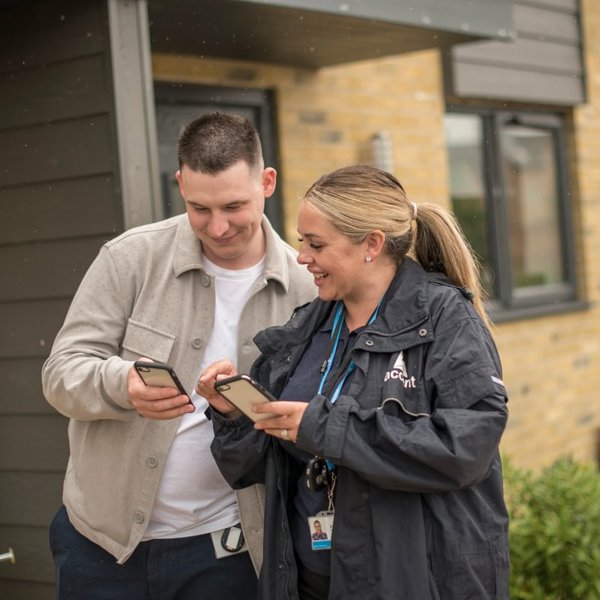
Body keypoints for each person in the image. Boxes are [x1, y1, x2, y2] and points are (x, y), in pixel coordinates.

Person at [198, 164, 510, 600]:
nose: (301, 255)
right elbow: (257, 467)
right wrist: (234, 415)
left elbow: (467, 447)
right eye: (302, 240)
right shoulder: (309, 326)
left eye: (316, 244)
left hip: (415, 583)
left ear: (372, 244)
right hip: (310, 581)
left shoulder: (444, 318)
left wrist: (326, 428)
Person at [41, 112, 316, 599]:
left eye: (234, 205)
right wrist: (120, 384)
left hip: (229, 554)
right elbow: (61, 373)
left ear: (267, 181)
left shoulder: (307, 285)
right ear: (180, 184)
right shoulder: (130, 258)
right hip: (100, 546)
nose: (219, 226)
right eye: (199, 208)